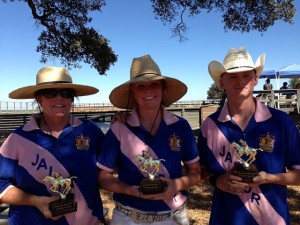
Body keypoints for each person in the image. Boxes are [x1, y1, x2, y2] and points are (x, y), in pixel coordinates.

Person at [197, 47, 300, 225]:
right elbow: (200, 170)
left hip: (272, 219)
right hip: (225, 219)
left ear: (255, 79)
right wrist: (217, 180)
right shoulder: (210, 125)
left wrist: (269, 178)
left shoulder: (281, 122)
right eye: (233, 76)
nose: (241, 81)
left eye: (246, 75)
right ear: (221, 83)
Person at [97, 55, 201, 225]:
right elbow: (103, 176)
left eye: (154, 84)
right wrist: (129, 190)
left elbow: (196, 172)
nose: (148, 91)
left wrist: (177, 184)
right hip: (127, 217)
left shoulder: (180, 126)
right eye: (140, 86)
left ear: (163, 88)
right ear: (133, 92)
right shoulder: (119, 128)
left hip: (173, 217)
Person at [0, 67, 106, 225]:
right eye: (50, 92)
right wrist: (36, 201)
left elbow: (108, 169)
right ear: (39, 98)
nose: (59, 98)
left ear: (72, 99)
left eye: (66, 93)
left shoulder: (91, 131)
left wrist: (122, 128)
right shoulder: (17, 139)